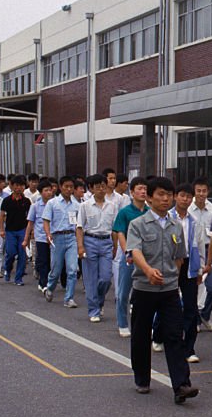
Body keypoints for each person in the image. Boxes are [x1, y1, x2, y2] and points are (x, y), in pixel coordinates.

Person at [127, 176, 198, 404]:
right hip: (144, 288)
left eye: (169, 194)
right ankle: (142, 378)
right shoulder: (137, 224)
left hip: (168, 290)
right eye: (160, 194)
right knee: (140, 335)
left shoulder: (176, 225)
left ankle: (181, 385)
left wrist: (171, 279)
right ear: (149, 197)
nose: (166, 199)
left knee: (174, 336)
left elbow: (179, 257)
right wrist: (148, 271)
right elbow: (134, 251)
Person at [170, 182, 207, 363]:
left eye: (188, 196)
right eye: (182, 195)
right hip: (170, 265)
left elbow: (200, 246)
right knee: (168, 304)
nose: (185, 199)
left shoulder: (194, 221)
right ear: (175, 196)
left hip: (189, 266)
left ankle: (189, 347)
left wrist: (200, 268)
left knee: (191, 307)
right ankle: (160, 334)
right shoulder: (168, 217)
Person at [77, 173, 119, 322]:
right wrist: (80, 247)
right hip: (90, 241)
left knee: (106, 278)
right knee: (90, 279)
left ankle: (100, 300)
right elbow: (80, 227)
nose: (101, 189)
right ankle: (93, 310)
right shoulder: (84, 206)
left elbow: (115, 228)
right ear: (91, 188)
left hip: (107, 242)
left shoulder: (112, 206)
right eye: (97, 187)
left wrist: (115, 246)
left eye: (103, 186)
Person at [112, 177, 149, 338]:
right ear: (132, 192)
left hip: (146, 258)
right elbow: (120, 232)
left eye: (145, 189)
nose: (143, 192)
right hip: (129, 257)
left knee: (145, 293)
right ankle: (122, 322)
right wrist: (127, 251)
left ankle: (143, 324)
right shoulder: (125, 212)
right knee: (123, 291)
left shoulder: (150, 212)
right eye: (139, 189)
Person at [42, 176, 80, 308]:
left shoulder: (77, 205)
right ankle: (50, 287)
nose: (69, 189)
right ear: (60, 187)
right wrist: (48, 234)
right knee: (56, 269)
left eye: (71, 187)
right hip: (57, 238)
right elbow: (46, 220)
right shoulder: (52, 203)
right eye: (66, 186)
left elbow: (79, 225)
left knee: (72, 269)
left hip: (71, 238)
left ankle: (69, 298)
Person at [190, 176, 212, 332]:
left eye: (204, 191)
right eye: (198, 191)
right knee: (193, 287)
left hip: (209, 250)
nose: (201, 194)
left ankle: (204, 315)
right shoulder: (188, 208)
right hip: (193, 252)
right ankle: (194, 318)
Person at [1, 175, 31, 285]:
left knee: (22, 255)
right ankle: (7, 269)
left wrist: (29, 233)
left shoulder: (27, 201)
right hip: (10, 231)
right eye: (17, 185)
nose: (19, 188)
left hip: (22, 230)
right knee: (11, 253)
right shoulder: (7, 200)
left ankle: (18, 278)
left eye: (22, 185)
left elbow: (30, 218)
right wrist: (1, 230)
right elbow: (2, 215)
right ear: (12, 186)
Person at [24, 179, 54, 289]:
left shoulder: (55, 204)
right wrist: (26, 239)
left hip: (53, 237)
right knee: (43, 260)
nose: (49, 193)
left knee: (52, 262)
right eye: (46, 190)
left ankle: (49, 280)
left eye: (50, 190)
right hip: (41, 237)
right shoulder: (35, 206)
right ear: (41, 192)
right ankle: (43, 283)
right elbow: (30, 223)